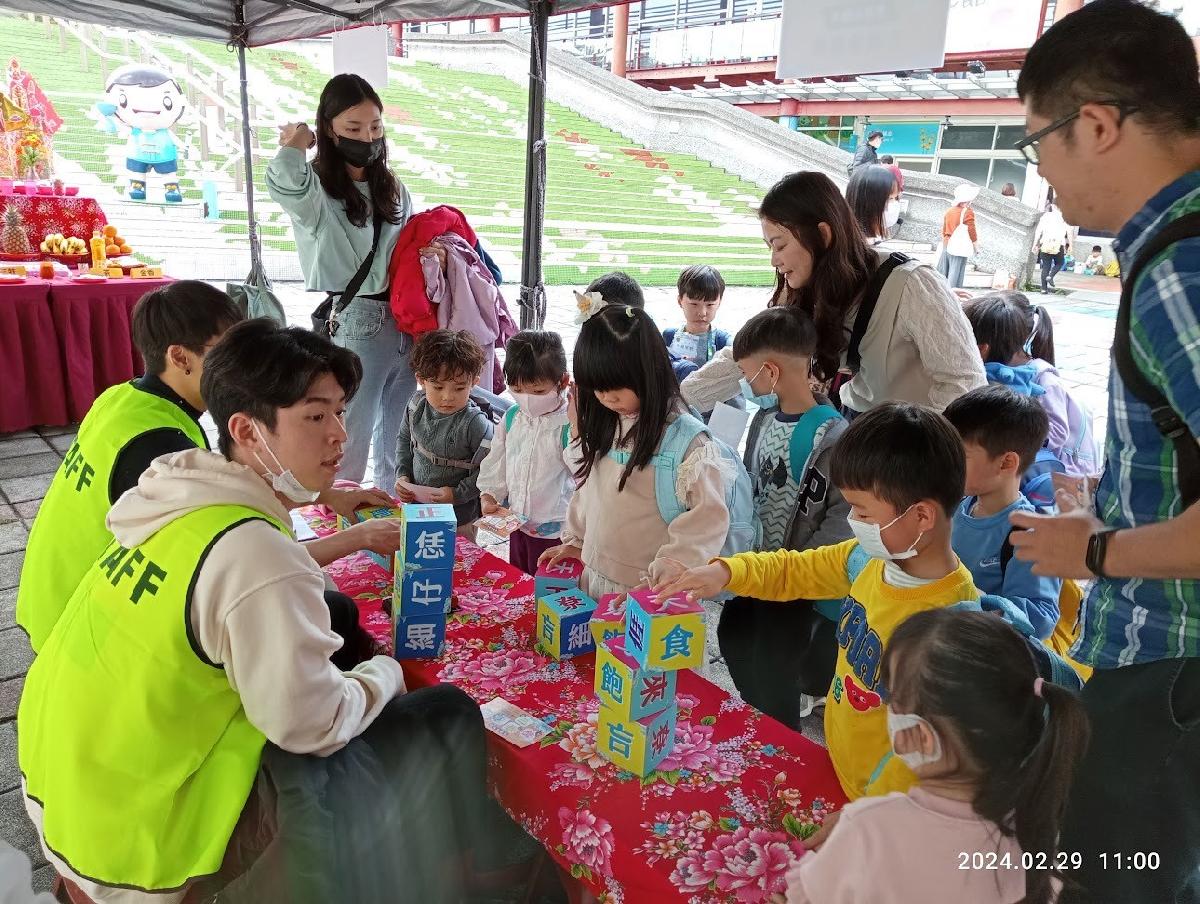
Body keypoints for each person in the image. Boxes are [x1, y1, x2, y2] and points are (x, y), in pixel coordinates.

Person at [17, 319, 488, 903]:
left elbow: (254, 588)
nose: (340, 435)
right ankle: (449, 880)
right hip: (139, 843)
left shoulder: (176, 494)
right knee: (443, 710)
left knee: (333, 613)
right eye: (316, 417)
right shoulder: (256, 554)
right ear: (246, 429)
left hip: (63, 786)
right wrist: (387, 672)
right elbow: (309, 725)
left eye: (341, 411)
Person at [1008, 2, 1200, 901]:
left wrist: (1091, 550)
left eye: (1037, 143)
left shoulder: (1180, 272)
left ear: (1096, 125)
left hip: (1170, 679)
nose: (1041, 173)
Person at [15, 281, 395, 655]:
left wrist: (329, 494)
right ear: (180, 358)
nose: (245, 362)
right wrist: (358, 538)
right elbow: (256, 566)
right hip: (83, 623)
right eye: (227, 349)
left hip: (44, 592)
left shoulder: (124, 398)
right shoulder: (162, 448)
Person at [658, 403, 978, 801]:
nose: (854, 522)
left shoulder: (949, 625)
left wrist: (868, 815)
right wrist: (725, 572)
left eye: (863, 510)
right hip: (840, 765)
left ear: (922, 517)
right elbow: (793, 570)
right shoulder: (868, 560)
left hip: (883, 805)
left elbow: (923, 752)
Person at [780, 608, 1088, 904]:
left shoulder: (869, 827)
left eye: (894, 698)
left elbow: (807, 894)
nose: (886, 707)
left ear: (921, 736)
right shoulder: (1038, 831)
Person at [679, 171, 984, 418]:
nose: (774, 259)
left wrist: (914, 447)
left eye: (780, 245)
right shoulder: (802, 292)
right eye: (769, 247)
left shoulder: (912, 285)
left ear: (823, 235)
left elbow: (966, 384)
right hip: (856, 423)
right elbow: (745, 355)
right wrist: (676, 401)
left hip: (909, 445)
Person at [268, 73, 435, 491]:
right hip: (358, 315)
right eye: (353, 128)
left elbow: (406, 246)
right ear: (329, 129)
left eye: (375, 127)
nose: (368, 137)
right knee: (350, 432)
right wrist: (294, 143)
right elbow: (284, 182)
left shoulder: (393, 187)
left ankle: (384, 515)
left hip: (404, 318)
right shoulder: (317, 189)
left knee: (397, 429)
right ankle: (342, 519)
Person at [538, 300, 731, 597]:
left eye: (616, 387)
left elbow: (708, 518)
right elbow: (592, 489)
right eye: (598, 388)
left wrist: (675, 564)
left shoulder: (685, 440)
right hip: (593, 575)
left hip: (646, 590)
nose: (607, 398)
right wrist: (577, 541)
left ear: (648, 372)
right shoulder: (608, 422)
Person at [716, 307, 851, 729]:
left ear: (770, 372)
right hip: (756, 565)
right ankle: (756, 719)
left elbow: (842, 513)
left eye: (747, 372)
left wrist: (805, 571)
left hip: (793, 580)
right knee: (733, 635)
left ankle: (778, 740)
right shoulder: (763, 418)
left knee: (775, 664)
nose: (745, 383)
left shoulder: (832, 436)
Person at [944, 385, 1061, 639]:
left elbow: (1041, 618)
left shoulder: (1029, 534)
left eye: (959, 454)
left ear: (1006, 463)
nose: (946, 462)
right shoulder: (955, 505)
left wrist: (966, 600)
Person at [964, 291, 1102, 480]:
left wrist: (1012, 429)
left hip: (1060, 473)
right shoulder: (997, 372)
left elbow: (1058, 433)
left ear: (981, 349)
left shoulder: (1043, 380)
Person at [478, 330, 576, 574]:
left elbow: (584, 474)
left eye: (538, 391)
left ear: (562, 382)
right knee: (519, 578)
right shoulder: (513, 418)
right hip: (517, 524)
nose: (527, 399)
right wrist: (490, 495)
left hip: (557, 533)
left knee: (549, 589)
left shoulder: (568, 425)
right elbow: (497, 460)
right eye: (517, 390)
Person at [395, 329, 493, 536]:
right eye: (438, 387)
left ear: (474, 382)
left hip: (459, 515)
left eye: (459, 389)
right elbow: (404, 440)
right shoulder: (415, 406)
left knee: (460, 559)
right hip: (417, 507)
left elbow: (490, 468)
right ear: (421, 380)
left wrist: (457, 494)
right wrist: (402, 475)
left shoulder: (474, 423)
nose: (447, 397)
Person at [661, 265, 744, 414]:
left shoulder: (723, 342)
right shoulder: (668, 336)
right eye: (694, 304)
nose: (702, 312)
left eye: (710, 305)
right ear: (680, 301)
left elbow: (733, 390)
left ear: (720, 302)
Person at [936, 183, 980, 289]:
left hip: (947, 244)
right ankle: (952, 297)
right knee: (955, 275)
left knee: (943, 273)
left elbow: (944, 229)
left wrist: (946, 242)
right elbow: (971, 230)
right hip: (959, 246)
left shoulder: (949, 211)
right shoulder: (968, 212)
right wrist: (976, 246)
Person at [846, 164, 900, 244]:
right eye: (890, 199)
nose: (895, 204)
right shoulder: (849, 242)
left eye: (896, 198)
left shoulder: (870, 237)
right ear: (867, 202)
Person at [1033, 202, 1072, 292]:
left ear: (1052, 206)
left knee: (1046, 266)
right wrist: (1070, 245)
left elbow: (1038, 231)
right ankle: (1051, 276)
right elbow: (1069, 232)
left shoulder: (1045, 216)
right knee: (1060, 263)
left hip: (1045, 243)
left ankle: (1043, 289)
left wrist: (1035, 244)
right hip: (1058, 245)